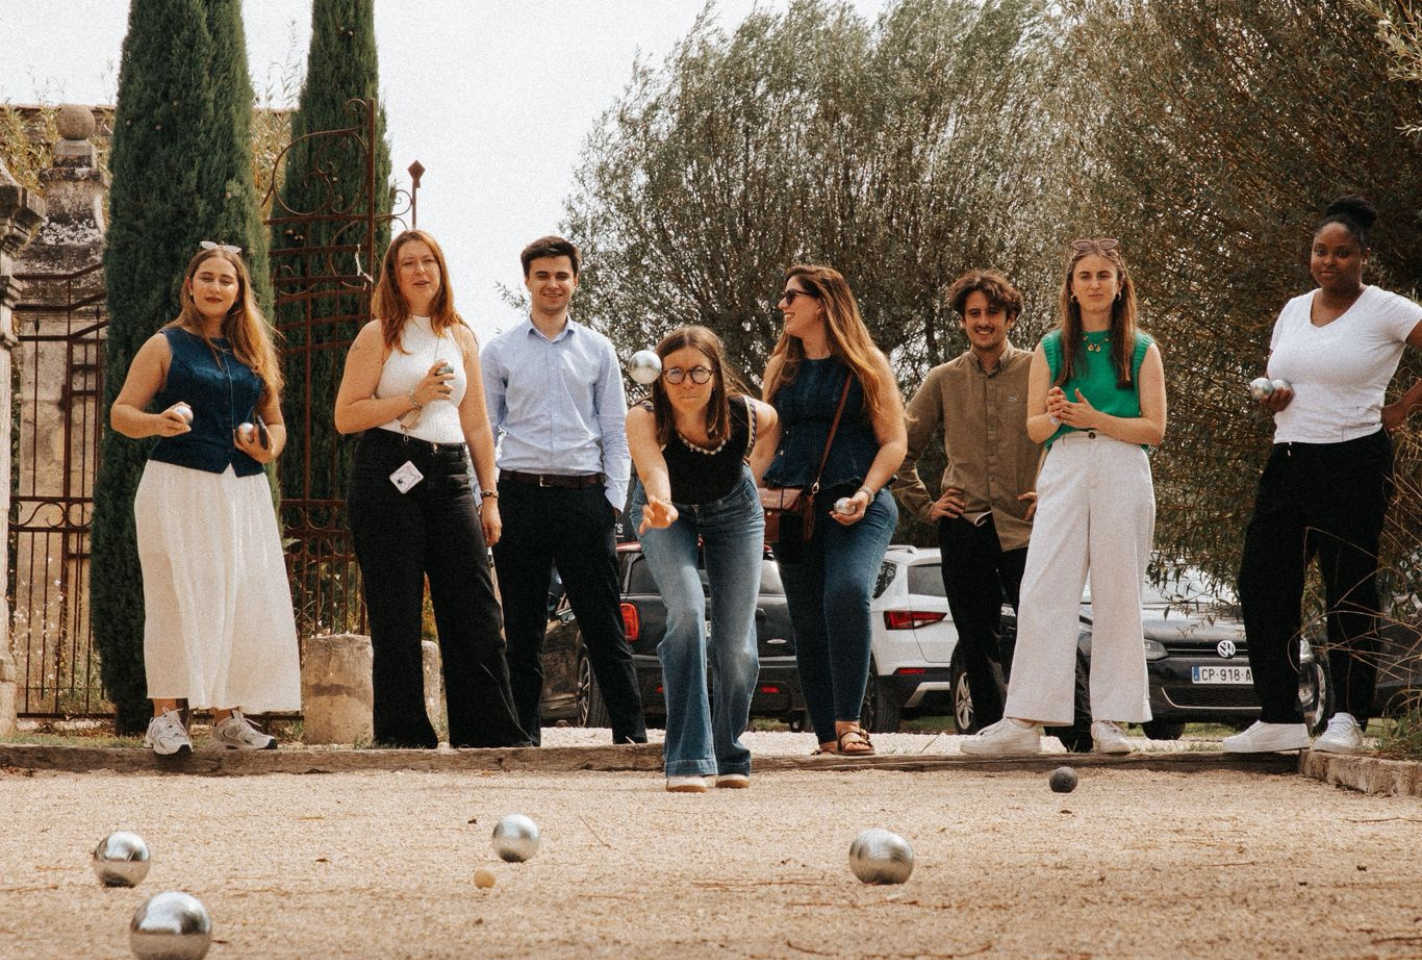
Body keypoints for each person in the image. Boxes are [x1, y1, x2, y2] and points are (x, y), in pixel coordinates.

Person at [1226, 196, 1422, 755]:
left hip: (1352, 460)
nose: (1327, 262)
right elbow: (1270, 380)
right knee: (1262, 583)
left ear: (1364, 257)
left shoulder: (1386, 309)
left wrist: (1403, 408)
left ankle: (1348, 717)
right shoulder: (1293, 309)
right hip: (1288, 458)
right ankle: (1280, 716)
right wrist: (1272, 395)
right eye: (1319, 251)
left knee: (1349, 589)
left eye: (1341, 253)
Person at [962, 237, 1167, 756]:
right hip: (1066, 461)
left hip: (1122, 461)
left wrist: (1094, 418)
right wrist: (1057, 413)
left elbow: (1155, 428)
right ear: (1071, 289)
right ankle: (1025, 721)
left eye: (1103, 275)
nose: (1094, 284)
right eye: (1084, 277)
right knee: (1043, 588)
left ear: (1119, 285)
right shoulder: (1052, 347)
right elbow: (1036, 427)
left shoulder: (1141, 347)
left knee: (1119, 589)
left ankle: (1111, 721)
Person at [335, 229, 527, 749]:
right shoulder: (378, 335)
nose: (420, 272)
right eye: (407, 264)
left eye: (428, 262)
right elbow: (345, 416)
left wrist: (490, 496)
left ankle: (488, 731)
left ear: (441, 271)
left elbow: (479, 425)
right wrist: (411, 398)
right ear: (393, 277)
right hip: (388, 469)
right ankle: (403, 734)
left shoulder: (461, 335)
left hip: (451, 474)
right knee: (394, 606)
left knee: (475, 606)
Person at [110, 242, 301, 755]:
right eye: (208, 278)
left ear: (239, 292)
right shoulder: (165, 345)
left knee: (239, 596)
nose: (217, 287)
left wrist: (266, 447)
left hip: (241, 488)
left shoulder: (253, 351)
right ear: (190, 286)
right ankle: (165, 718)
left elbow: (277, 424)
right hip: (178, 482)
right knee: (174, 594)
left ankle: (226, 716)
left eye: (227, 280)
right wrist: (158, 422)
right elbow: (122, 413)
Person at [482, 236, 647, 746]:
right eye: (542, 275)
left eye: (561, 275)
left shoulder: (598, 350)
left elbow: (617, 430)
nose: (552, 284)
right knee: (524, 631)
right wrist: (483, 499)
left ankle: (632, 737)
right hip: (520, 497)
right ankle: (522, 740)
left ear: (574, 280)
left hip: (585, 500)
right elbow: (485, 430)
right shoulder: (499, 351)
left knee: (603, 627)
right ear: (527, 281)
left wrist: (613, 501)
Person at [760, 264, 907, 757]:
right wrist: (743, 499)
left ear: (821, 303)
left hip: (858, 502)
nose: (782, 305)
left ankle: (850, 723)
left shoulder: (867, 363)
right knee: (805, 618)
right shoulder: (781, 367)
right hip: (794, 507)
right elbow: (766, 445)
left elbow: (894, 443)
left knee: (845, 593)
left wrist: (866, 492)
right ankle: (826, 735)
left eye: (790, 297)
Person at [627, 326, 779, 792]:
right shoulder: (644, 416)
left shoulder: (747, 414)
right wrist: (661, 499)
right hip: (663, 514)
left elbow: (774, 423)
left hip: (736, 513)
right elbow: (653, 467)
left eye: (698, 371)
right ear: (659, 376)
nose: (687, 383)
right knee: (689, 613)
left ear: (716, 375)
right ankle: (689, 757)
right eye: (675, 372)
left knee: (736, 647)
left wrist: (751, 476)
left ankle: (729, 751)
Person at [893, 269, 1040, 732]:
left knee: (1043, 631)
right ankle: (993, 732)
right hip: (965, 525)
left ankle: (1071, 731)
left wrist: (1052, 491)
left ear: (1010, 317)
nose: (983, 322)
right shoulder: (942, 379)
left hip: (1028, 527)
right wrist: (925, 505)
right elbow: (900, 448)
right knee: (978, 639)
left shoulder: (1039, 368)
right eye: (973, 313)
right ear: (962, 321)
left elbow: (1065, 438)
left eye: (992, 313)